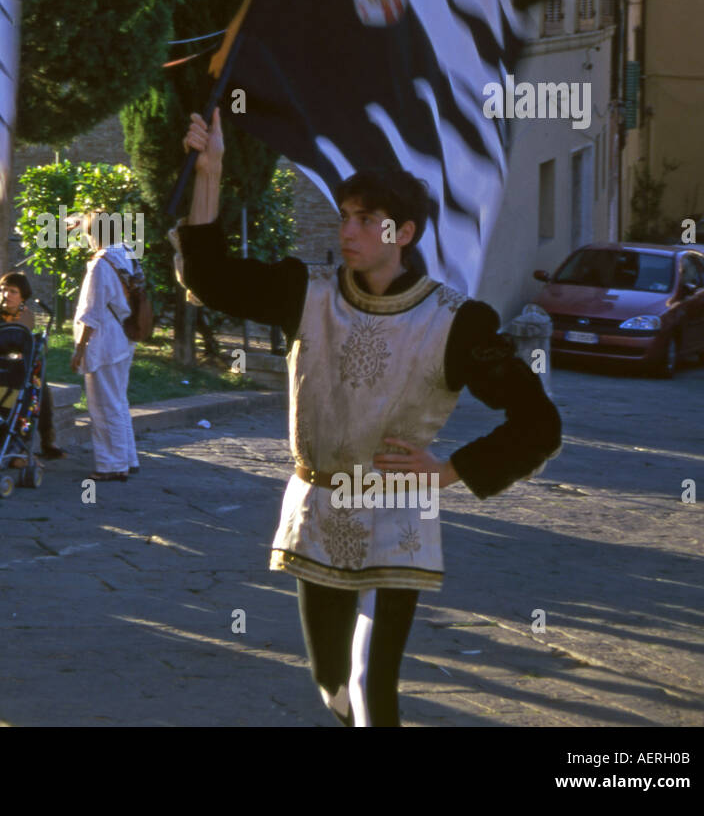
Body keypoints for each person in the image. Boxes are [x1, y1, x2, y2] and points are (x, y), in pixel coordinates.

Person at [176, 109, 562, 727]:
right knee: (332, 681)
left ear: (402, 233)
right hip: (318, 506)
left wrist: (450, 470)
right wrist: (211, 169)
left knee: (368, 678)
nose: (347, 231)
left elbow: (538, 422)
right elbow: (209, 277)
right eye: (345, 216)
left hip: (395, 513)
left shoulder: (457, 322)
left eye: (365, 220)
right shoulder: (309, 291)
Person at [71, 211, 140, 481]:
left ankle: (112, 465)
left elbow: (91, 311)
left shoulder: (100, 263)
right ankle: (127, 458)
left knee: (103, 406)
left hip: (104, 342)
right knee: (119, 401)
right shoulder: (126, 252)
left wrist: (79, 349)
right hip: (124, 335)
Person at [0, 271, 63, 458]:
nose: (5, 295)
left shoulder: (26, 315)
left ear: (23, 296)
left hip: (19, 366)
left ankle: (47, 439)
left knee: (40, 385)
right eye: (2, 290)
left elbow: (23, 344)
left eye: (12, 291)